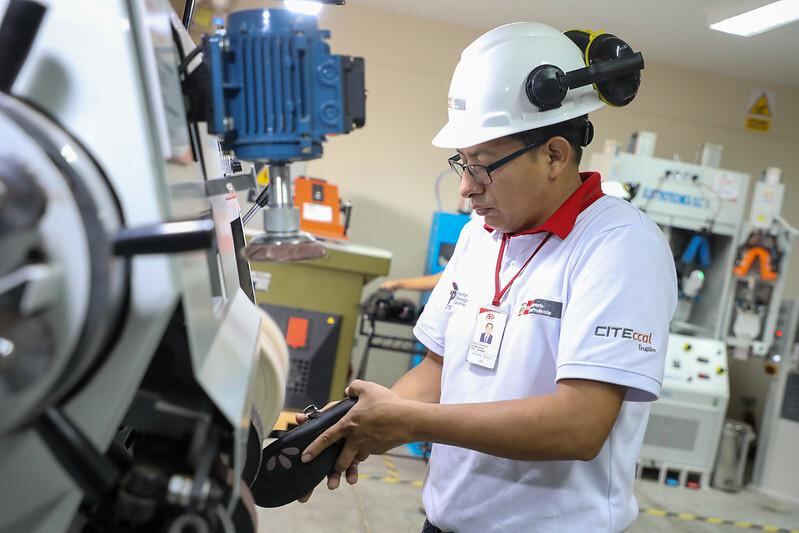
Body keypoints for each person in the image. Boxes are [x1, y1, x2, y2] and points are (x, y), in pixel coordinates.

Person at [298, 22, 676, 533]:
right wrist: (357, 423)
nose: (468, 190)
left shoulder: (620, 245)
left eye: (484, 166)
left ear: (554, 155)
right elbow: (437, 370)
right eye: (463, 164)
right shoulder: (483, 234)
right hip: (445, 520)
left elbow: (579, 426)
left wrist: (408, 422)